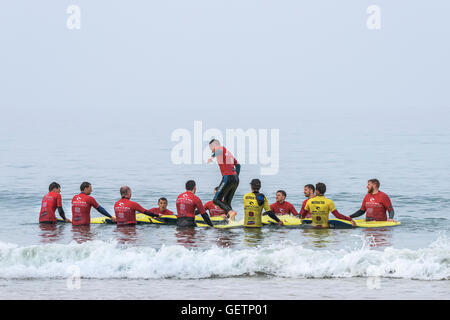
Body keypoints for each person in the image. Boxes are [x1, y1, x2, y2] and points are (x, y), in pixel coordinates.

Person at [207, 139, 240, 220]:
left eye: (211, 148)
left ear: (214, 146)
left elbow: (219, 150)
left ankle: (231, 212)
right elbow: (238, 165)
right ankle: (232, 220)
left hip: (227, 177)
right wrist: (236, 176)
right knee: (227, 202)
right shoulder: (229, 154)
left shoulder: (220, 148)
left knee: (216, 200)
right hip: (235, 179)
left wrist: (212, 157)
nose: (211, 150)